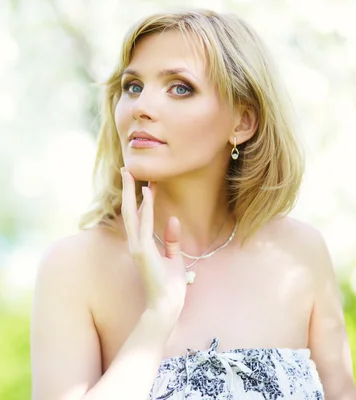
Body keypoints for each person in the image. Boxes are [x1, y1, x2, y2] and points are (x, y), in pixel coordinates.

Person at [30, 8, 356, 400]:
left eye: (180, 87)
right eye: (133, 86)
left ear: (243, 122)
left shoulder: (300, 254)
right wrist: (158, 316)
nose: (140, 107)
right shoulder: (74, 268)